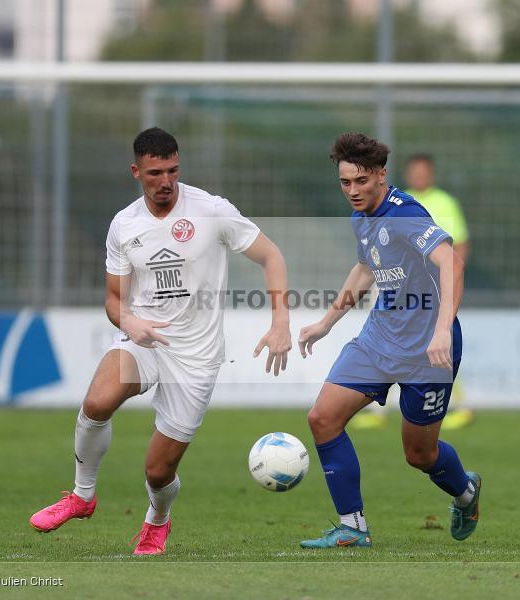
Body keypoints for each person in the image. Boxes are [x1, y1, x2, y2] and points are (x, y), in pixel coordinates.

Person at [29, 127, 292, 556]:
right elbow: (114, 300)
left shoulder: (212, 210)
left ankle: (157, 521)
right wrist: (129, 323)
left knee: (157, 472)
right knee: (96, 402)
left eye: (172, 171)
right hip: (145, 340)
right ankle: (81, 496)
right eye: (155, 173)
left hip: (196, 359)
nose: (165, 181)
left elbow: (272, 256)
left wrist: (281, 320)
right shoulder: (124, 224)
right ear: (137, 172)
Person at [296, 132, 480, 549]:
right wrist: (327, 321)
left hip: (427, 349)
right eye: (345, 183)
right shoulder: (362, 217)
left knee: (419, 455)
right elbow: (365, 269)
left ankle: (466, 493)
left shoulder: (404, 214)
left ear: (382, 175)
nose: (353, 191)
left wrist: (439, 330)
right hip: (378, 340)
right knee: (322, 419)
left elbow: (452, 263)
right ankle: (353, 527)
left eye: (361, 181)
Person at [404, 153, 473, 430]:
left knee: (440, 342)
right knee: (396, 342)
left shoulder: (445, 202)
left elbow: (460, 244)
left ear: (431, 173)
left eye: (424, 171)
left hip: (433, 287)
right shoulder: (401, 201)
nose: (419, 176)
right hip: (402, 285)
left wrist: (452, 277)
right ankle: (378, 407)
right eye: (414, 171)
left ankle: (461, 404)